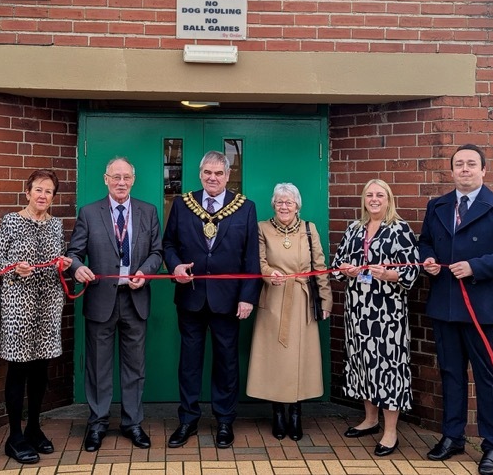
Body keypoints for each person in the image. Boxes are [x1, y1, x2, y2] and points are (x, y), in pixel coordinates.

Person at [419, 144, 493, 475]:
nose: (465, 169)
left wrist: (475, 267)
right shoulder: (436, 205)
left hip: (484, 307)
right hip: (446, 305)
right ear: (451, 171)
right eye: (459, 164)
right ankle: (452, 437)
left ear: (484, 170)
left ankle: (492, 445)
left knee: (486, 377)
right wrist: (428, 261)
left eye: (471, 164)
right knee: (451, 374)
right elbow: (425, 241)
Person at [162, 150, 262, 449]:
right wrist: (175, 265)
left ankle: (224, 421)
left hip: (229, 300)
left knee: (227, 363)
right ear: (200, 173)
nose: (213, 178)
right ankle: (188, 420)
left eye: (219, 173)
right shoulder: (182, 204)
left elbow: (251, 256)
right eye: (207, 172)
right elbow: (168, 244)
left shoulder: (245, 207)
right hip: (191, 297)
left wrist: (248, 297)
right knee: (189, 363)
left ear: (228, 175)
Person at [67, 157, 163, 452]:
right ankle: (97, 424)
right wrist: (77, 268)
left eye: (126, 177)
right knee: (98, 366)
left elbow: (158, 252)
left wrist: (144, 273)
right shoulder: (89, 212)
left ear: (133, 179)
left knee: (135, 367)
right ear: (105, 179)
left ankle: (132, 423)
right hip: (100, 300)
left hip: (135, 299)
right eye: (116, 177)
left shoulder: (148, 211)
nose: (121, 182)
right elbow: (74, 253)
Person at [331, 179, 419, 457]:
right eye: (369, 194)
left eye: (380, 194)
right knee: (362, 362)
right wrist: (345, 269)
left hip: (387, 312)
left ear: (388, 199)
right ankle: (370, 419)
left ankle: (390, 431)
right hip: (357, 308)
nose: (374, 199)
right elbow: (336, 265)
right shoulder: (354, 228)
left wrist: (389, 274)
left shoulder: (399, 229)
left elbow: (412, 269)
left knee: (388, 366)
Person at [0, 169, 72, 465]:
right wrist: (13, 267)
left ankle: (34, 427)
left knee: (41, 369)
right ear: (27, 192)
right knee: (18, 369)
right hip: (18, 305)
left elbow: (57, 260)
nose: (42, 196)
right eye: (38, 190)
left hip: (48, 303)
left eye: (48, 192)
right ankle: (14, 436)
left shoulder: (56, 226)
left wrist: (63, 265)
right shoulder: (11, 221)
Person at [246, 183, 333, 441]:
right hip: (272, 300)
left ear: (297, 205)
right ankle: (277, 414)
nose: (284, 206)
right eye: (280, 202)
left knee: (300, 360)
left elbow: (320, 265)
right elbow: (258, 260)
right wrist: (267, 273)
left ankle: (295, 413)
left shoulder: (309, 229)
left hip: (302, 301)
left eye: (289, 202)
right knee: (274, 360)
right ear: (273, 204)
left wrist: (325, 300)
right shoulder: (262, 228)